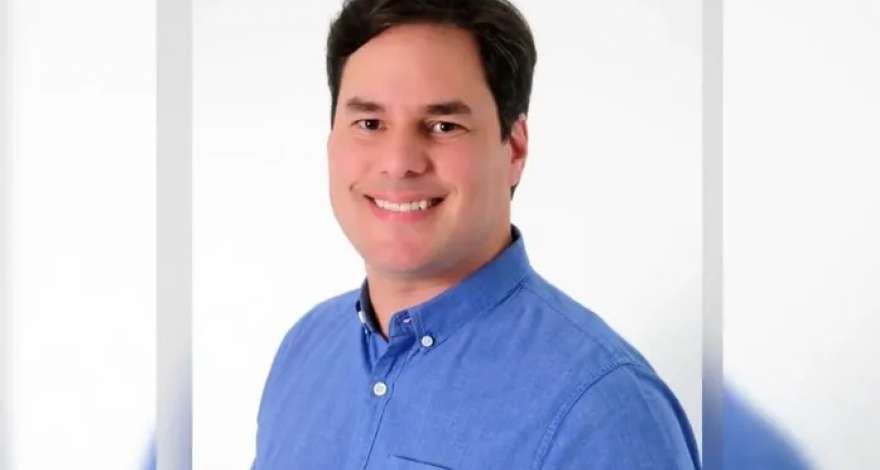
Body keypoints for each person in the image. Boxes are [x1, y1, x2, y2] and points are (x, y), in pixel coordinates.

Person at [250, 0, 700, 468]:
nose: (399, 162)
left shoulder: (602, 409)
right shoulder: (304, 352)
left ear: (515, 149)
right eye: (369, 123)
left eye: (443, 126)